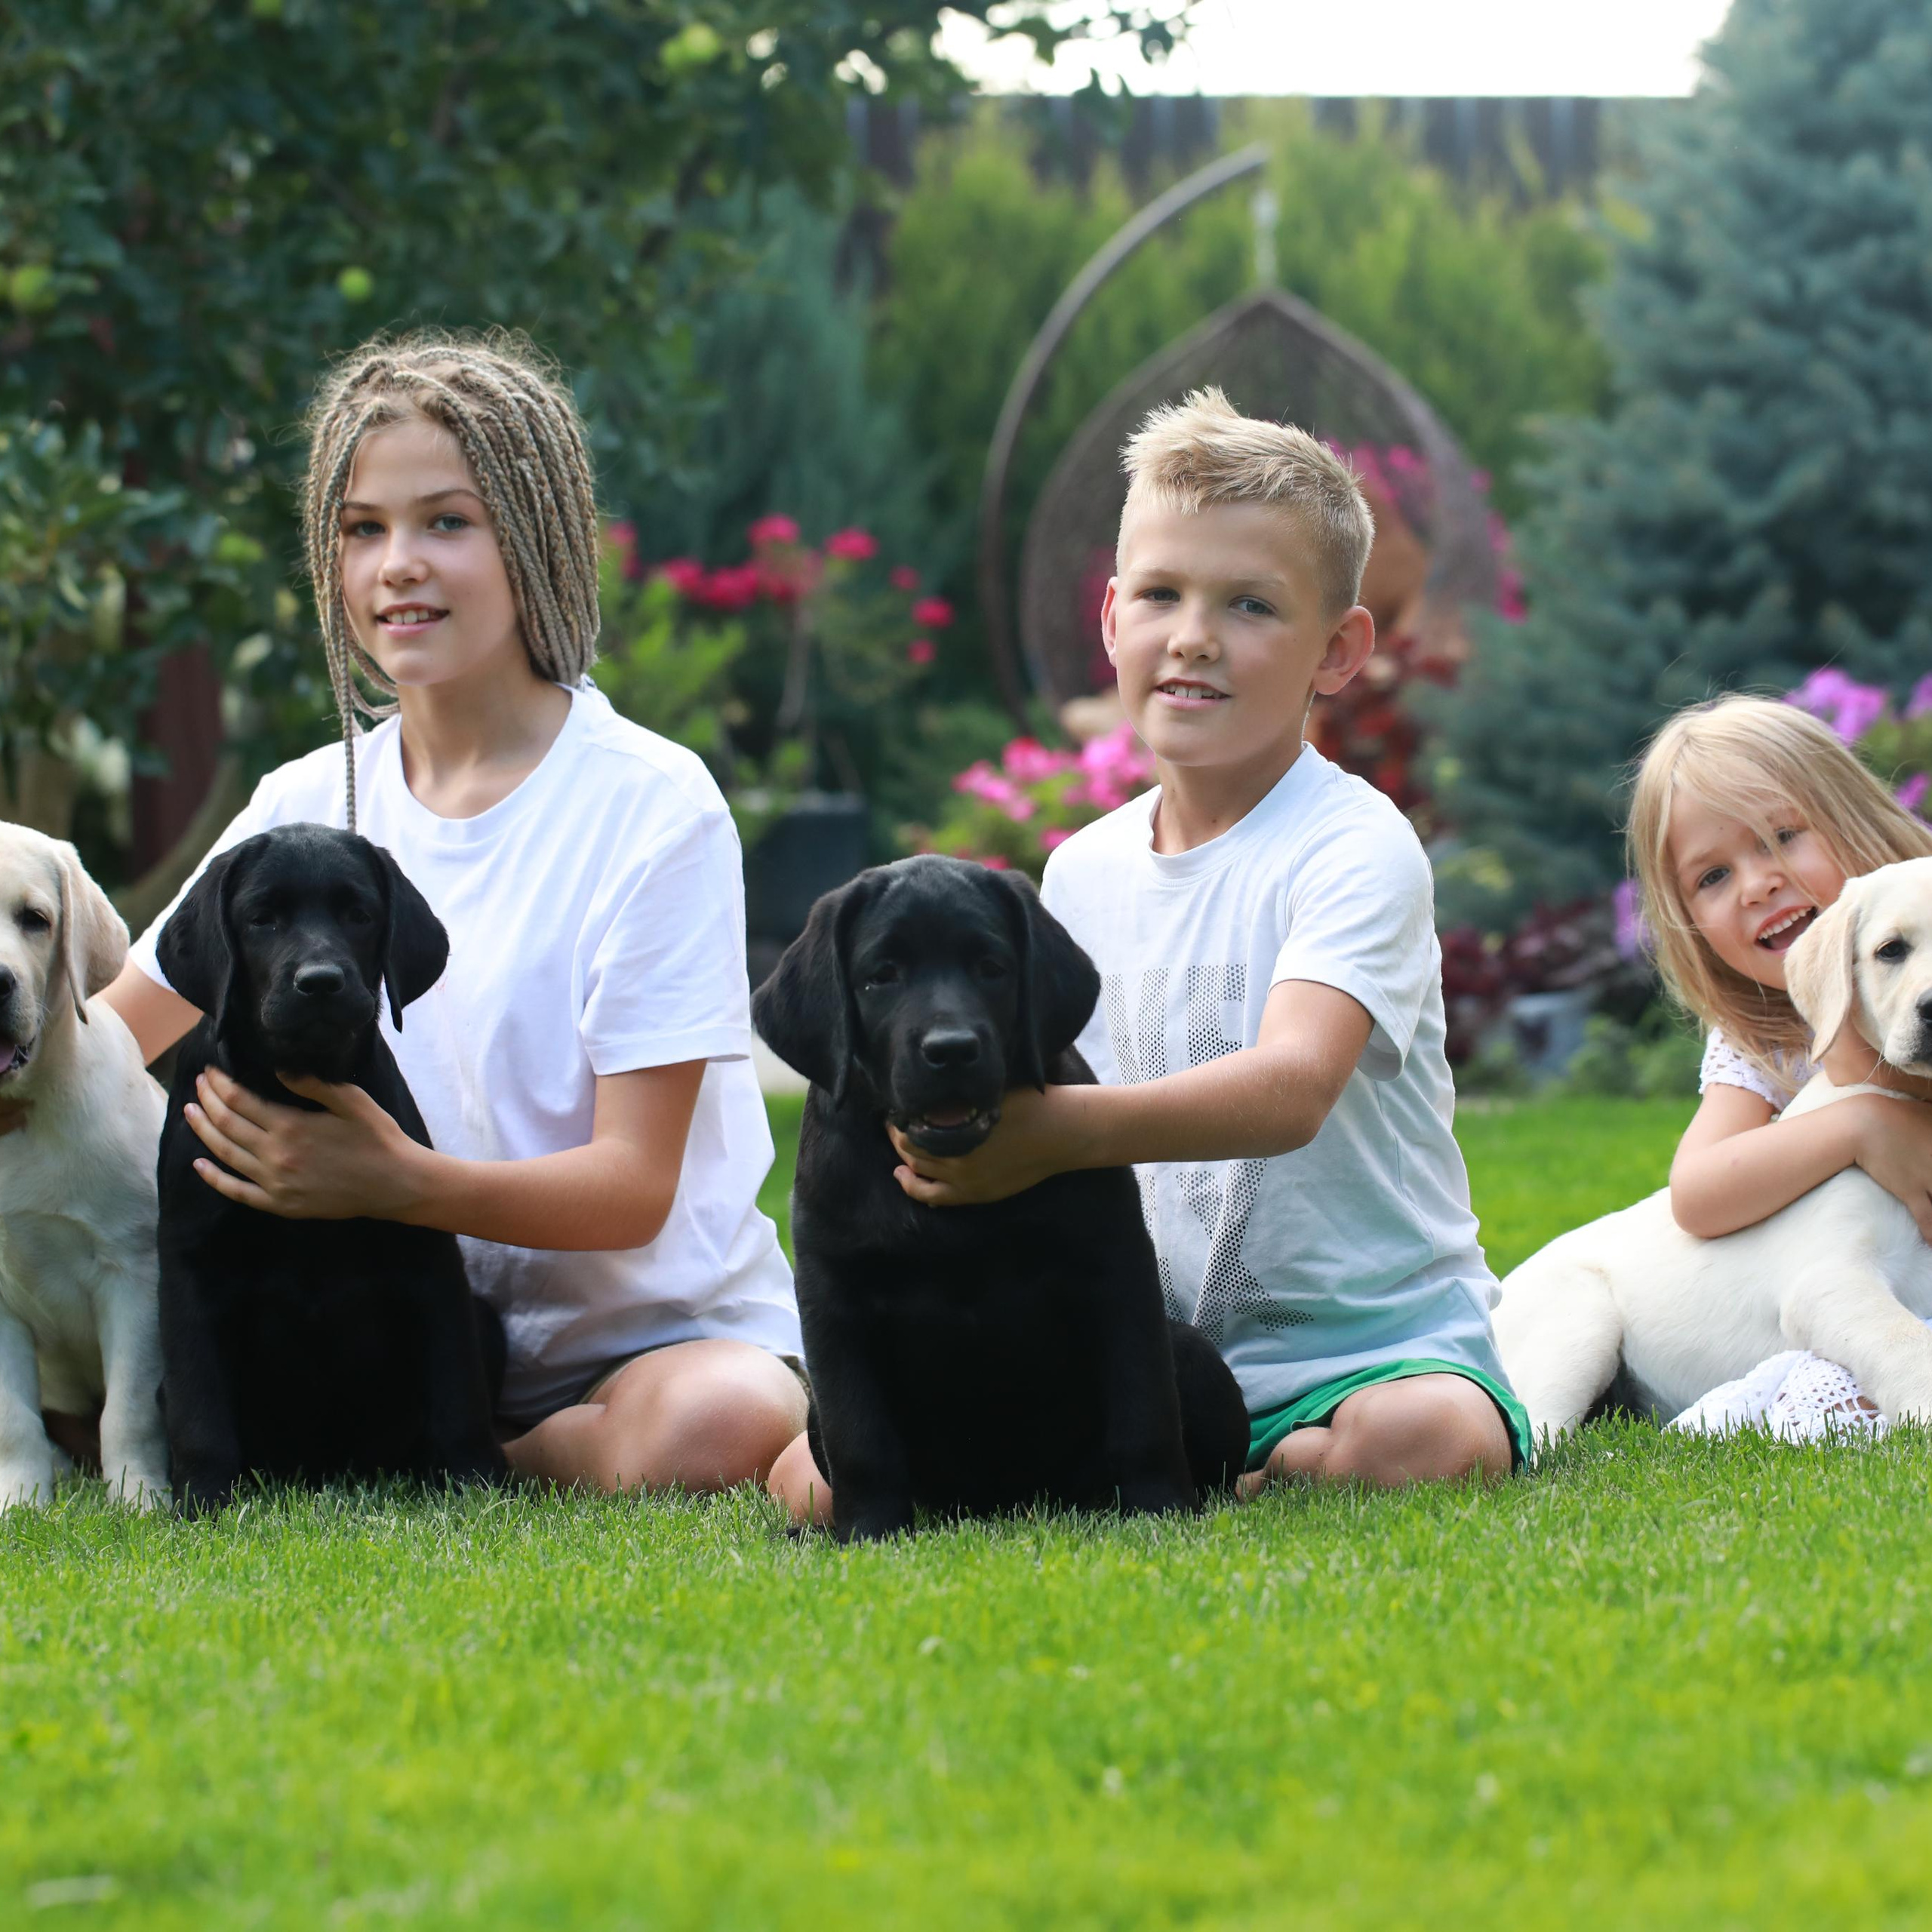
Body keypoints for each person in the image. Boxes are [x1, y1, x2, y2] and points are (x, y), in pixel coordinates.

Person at [770, 386, 1527, 1519]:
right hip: (1137, 1346)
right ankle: (1144, 1465)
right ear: (1113, 619)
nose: (1196, 636)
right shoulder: (1079, 871)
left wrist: (1051, 1137)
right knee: (803, 1480)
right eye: (1163, 596)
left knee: (1432, 1441)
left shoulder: (1354, 846)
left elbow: (1290, 1089)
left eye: (1252, 605)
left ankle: (1271, 1468)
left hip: (1368, 1350)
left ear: (1340, 650)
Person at [98, 331, 805, 1494]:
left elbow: (633, 1187)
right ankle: (386, 1442)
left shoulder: (652, 804)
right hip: (371, 1335)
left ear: (534, 538)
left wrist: (395, 1184)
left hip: (639, 1349)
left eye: (446, 522)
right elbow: (106, 1050)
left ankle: (486, 1459)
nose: (398, 567)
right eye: (362, 530)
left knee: (721, 1424)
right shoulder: (303, 804)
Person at [1623, 694, 1932, 1437]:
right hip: (1779, 1310)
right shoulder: (1756, 1041)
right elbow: (1696, 1193)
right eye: (1712, 876)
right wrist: (1859, 1121)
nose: (1756, 882)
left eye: (1781, 836)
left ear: (1852, 821)